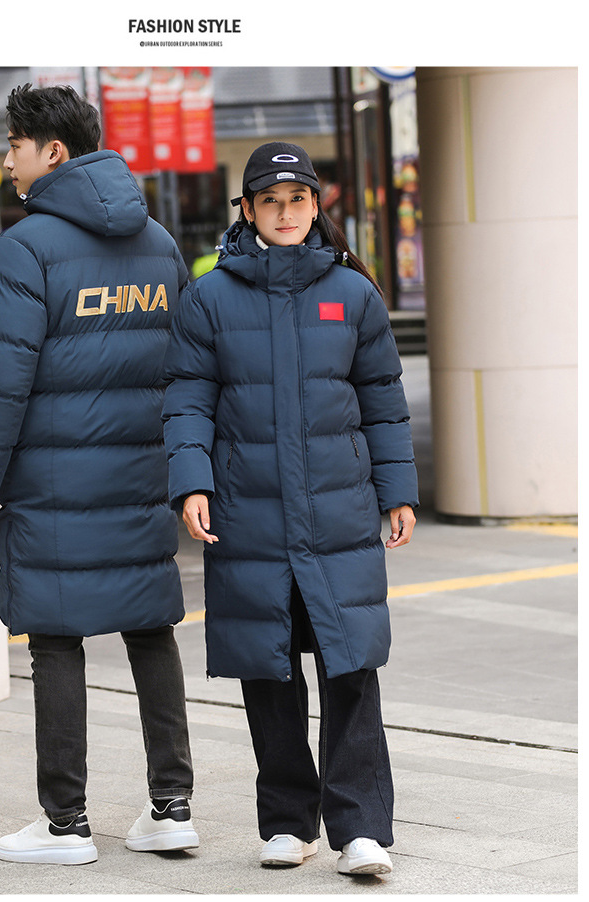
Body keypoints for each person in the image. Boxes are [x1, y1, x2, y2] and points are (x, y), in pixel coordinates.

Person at [162, 142, 418, 876]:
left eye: (297, 199)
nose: (284, 213)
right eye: (269, 201)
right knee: (267, 671)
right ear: (246, 209)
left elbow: (383, 403)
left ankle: (360, 829)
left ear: (315, 205)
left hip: (338, 515)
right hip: (251, 514)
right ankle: (285, 823)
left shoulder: (354, 294)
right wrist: (192, 482)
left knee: (349, 666)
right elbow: (187, 400)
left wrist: (398, 492)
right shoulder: (209, 298)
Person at [0, 84, 198, 865]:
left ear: (52, 151)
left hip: (53, 483)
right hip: (141, 474)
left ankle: (65, 825)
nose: (7, 160)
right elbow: (190, 366)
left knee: (56, 637)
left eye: (14, 145)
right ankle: (172, 808)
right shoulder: (158, 243)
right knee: (150, 627)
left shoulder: (23, 248)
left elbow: (3, 380)